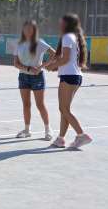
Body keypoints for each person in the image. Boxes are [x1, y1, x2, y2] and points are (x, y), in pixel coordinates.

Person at [45, 13, 93, 149]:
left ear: (66, 24)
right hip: (74, 76)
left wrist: (52, 66)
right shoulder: (74, 37)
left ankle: (81, 135)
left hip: (70, 76)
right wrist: (52, 66)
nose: (59, 23)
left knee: (63, 109)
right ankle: (60, 139)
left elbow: (65, 59)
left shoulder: (67, 37)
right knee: (64, 109)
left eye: (61, 21)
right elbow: (66, 59)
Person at [14, 20, 55, 140]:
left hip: (38, 77)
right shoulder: (19, 44)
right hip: (23, 77)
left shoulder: (40, 43)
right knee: (26, 104)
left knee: (40, 104)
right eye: (26, 28)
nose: (28, 31)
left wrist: (41, 67)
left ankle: (48, 130)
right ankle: (27, 130)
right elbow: (16, 63)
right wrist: (27, 68)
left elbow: (54, 54)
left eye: (30, 29)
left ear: (34, 30)